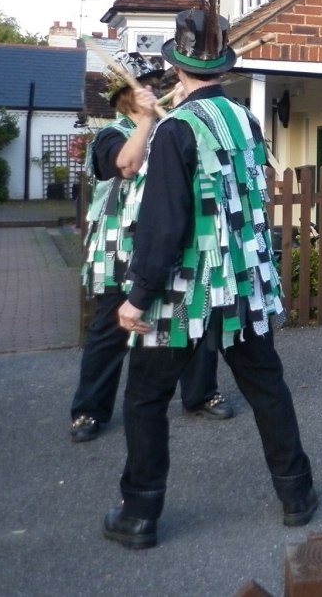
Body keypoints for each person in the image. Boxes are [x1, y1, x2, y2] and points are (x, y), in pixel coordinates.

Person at [102, 7, 316, 549]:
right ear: (222, 68)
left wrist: (138, 295)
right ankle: (297, 495)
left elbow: (165, 220)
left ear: (177, 68)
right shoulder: (245, 119)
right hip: (243, 282)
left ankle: (139, 514)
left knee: (146, 397)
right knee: (266, 387)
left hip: (185, 289)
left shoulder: (176, 128)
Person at [69, 55, 233, 443]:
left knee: (194, 317)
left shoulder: (171, 128)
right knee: (110, 330)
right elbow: (127, 165)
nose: (153, 89)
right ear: (123, 96)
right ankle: (89, 410)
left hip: (172, 243)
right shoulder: (110, 136)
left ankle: (201, 394)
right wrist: (146, 120)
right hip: (120, 251)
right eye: (143, 84)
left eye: (155, 83)